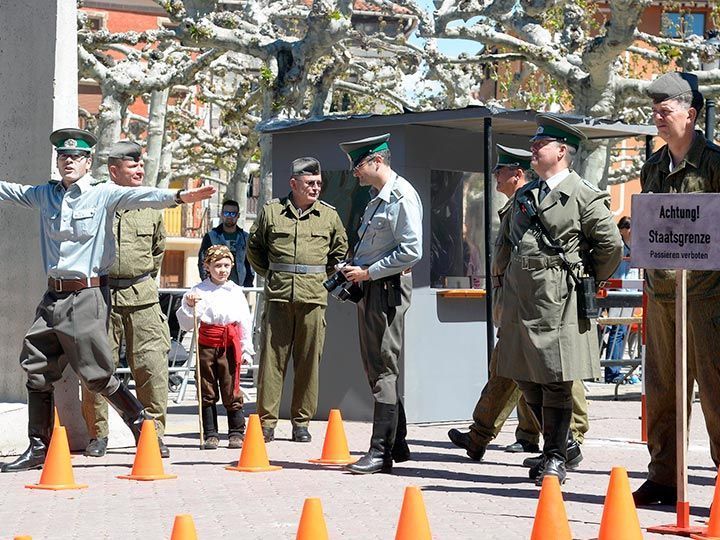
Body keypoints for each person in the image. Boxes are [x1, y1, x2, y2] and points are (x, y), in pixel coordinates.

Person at [0, 128, 215, 472]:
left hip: (86, 295)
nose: (68, 161)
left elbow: (144, 196)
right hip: (53, 296)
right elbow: (9, 191)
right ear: (57, 161)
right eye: (63, 156)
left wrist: (181, 197)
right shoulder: (45, 195)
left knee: (97, 374)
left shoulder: (103, 194)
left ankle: (141, 424)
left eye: (76, 157)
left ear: (88, 163)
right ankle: (38, 447)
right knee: (36, 368)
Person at [495, 115, 622, 485]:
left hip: (559, 296)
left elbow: (610, 245)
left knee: (556, 379)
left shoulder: (584, 194)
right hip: (521, 297)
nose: (533, 149)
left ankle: (553, 457)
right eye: (534, 144)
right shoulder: (526, 194)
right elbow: (506, 240)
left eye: (541, 144)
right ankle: (564, 443)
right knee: (524, 376)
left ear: (562, 151)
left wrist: (585, 276)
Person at [448, 144, 589, 465]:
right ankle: (523, 435)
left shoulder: (534, 204)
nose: (495, 175)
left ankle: (567, 438)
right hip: (514, 299)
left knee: (554, 373)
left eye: (501, 170)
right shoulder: (517, 205)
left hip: (541, 301)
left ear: (518, 174)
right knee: (517, 371)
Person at [632, 72, 720, 506]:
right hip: (663, 296)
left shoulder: (715, 164)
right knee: (663, 390)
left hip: (709, 298)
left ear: (693, 113)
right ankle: (664, 476)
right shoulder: (652, 166)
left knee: (718, 392)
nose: (658, 117)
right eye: (655, 111)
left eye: (666, 110)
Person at [78, 140, 171, 459]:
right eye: (133, 167)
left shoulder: (150, 205)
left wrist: (138, 278)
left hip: (143, 298)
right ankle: (98, 434)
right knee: (96, 370)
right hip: (100, 296)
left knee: (152, 368)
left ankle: (152, 434)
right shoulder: (95, 201)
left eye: (141, 166)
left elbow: (158, 251)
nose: (140, 171)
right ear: (114, 170)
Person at [337, 134, 423, 475]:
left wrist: (368, 272)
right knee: (376, 367)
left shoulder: (401, 198)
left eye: (358, 167)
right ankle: (397, 442)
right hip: (371, 286)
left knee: (383, 367)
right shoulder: (377, 199)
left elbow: (411, 251)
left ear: (377, 162)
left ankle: (381, 451)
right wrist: (353, 267)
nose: (355, 174)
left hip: (386, 288)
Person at [247, 157, 348, 443]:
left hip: (313, 298)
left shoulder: (329, 216)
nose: (316, 188)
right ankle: (266, 423)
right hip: (278, 297)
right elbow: (255, 249)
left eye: (318, 183)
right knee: (271, 362)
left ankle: (301, 423)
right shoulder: (272, 212)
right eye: (309, 183)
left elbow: (339, 254)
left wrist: (318, 279)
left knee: (308, 363)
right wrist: (272, 274)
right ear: (294, 184)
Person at [176, 245, 254, 449]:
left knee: (231, 387)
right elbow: (185, 323)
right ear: (207, 266)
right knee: (206, 387)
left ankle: (236, 432)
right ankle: (211, 433)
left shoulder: (235, 291)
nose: (222, 270)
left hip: (229, 343)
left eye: (227, 265)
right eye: (217, 265)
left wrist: (246, 348)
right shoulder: (198, 291)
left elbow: (245, 320)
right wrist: (189, 305)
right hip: (207, 344)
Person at [603, 216, 639, 384]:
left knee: (622, 332)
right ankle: (612, 371)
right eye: (629, 227)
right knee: (616, 332)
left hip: (631, 292)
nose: (632, 231)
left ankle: (615, 370)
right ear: (622, 229)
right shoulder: (617, 245)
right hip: (618, 291)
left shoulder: (635, 245)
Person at [198, 199, 254, 287]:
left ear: (238, 216)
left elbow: (250, 263)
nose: (229, 216)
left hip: (239, 287)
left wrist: (248, 284)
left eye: (233, 214)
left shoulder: (245, 237)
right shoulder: (211, 236)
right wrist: (207, 283)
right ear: (221, 214)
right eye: (226, 213)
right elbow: (202, 261)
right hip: (215, 287)